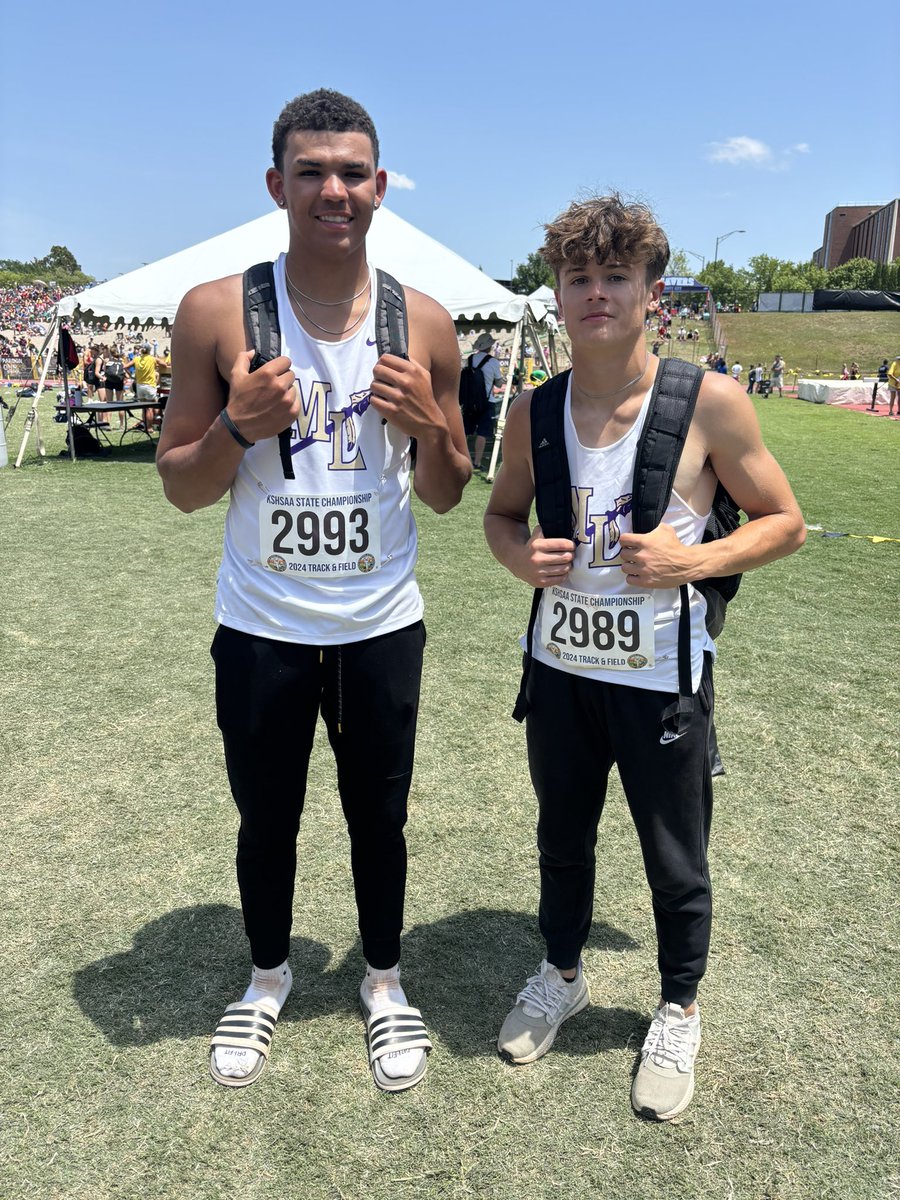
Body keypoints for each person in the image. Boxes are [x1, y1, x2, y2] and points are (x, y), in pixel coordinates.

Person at [156, 88, 471, 1092]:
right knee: (267, 818)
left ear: (380, 186)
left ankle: (384, 982)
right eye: (312, 172)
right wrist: (237, 426)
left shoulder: (425, 321)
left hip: (381, 622)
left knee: (381, 818)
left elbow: (449, 492)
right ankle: (266, 978)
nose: (333, 190)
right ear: (276, 184)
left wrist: (430, 425)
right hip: (262, 624)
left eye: (351, 173)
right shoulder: (217, 311)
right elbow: (181, 486)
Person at [483, 194, 805, 1121]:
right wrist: (519, 557)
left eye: (615, 276)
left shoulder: (708, 401)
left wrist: (688, 562)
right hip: (560, 674)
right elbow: (500, 518)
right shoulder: (534, 411)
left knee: (675, 856)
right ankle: (562, 974)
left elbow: (785, 522)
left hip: (662, 681)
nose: (596, 292)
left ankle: (678, 1007)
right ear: (556, 292)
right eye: (578, 276)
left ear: (649, 293)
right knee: (561, 839)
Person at [466, 331, 505, 471]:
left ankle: (464, 458)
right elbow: (499, 383)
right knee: (482, 432)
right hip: (487, 401)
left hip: (470, 401)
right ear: (490, 347)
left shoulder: (470, 359)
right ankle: (477, 461)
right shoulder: (493, 362)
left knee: (466, 431)